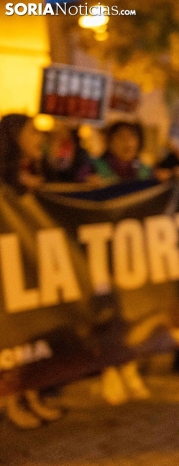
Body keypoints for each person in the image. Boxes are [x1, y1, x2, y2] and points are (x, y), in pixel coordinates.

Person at [0, 114, 64, 429]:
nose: (39, 137)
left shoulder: (39, 168)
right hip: (12, 270)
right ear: (13, 137)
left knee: (39, 332)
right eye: (31, 132)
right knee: (17, 338)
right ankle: (13, 400)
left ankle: (35, 395)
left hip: (39, 266)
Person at [0, 113, 45, 193]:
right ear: (15, 135)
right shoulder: (5, 184)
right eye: (33, 131)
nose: (40, 137)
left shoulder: (36, 172)